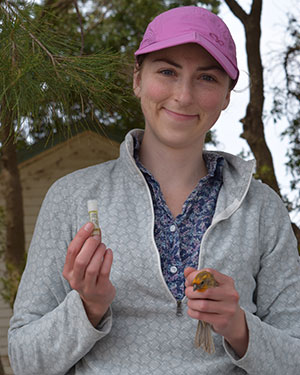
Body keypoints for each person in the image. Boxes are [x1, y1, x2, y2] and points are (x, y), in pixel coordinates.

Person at [8, 6, 300, 375]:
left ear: (227, 96)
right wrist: (87, 307)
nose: (183, 95)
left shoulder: (262, 208)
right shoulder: (70, 197)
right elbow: (24, 361)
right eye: (167, 72)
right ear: (137, 79)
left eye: (207, 78)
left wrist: (239, 328)